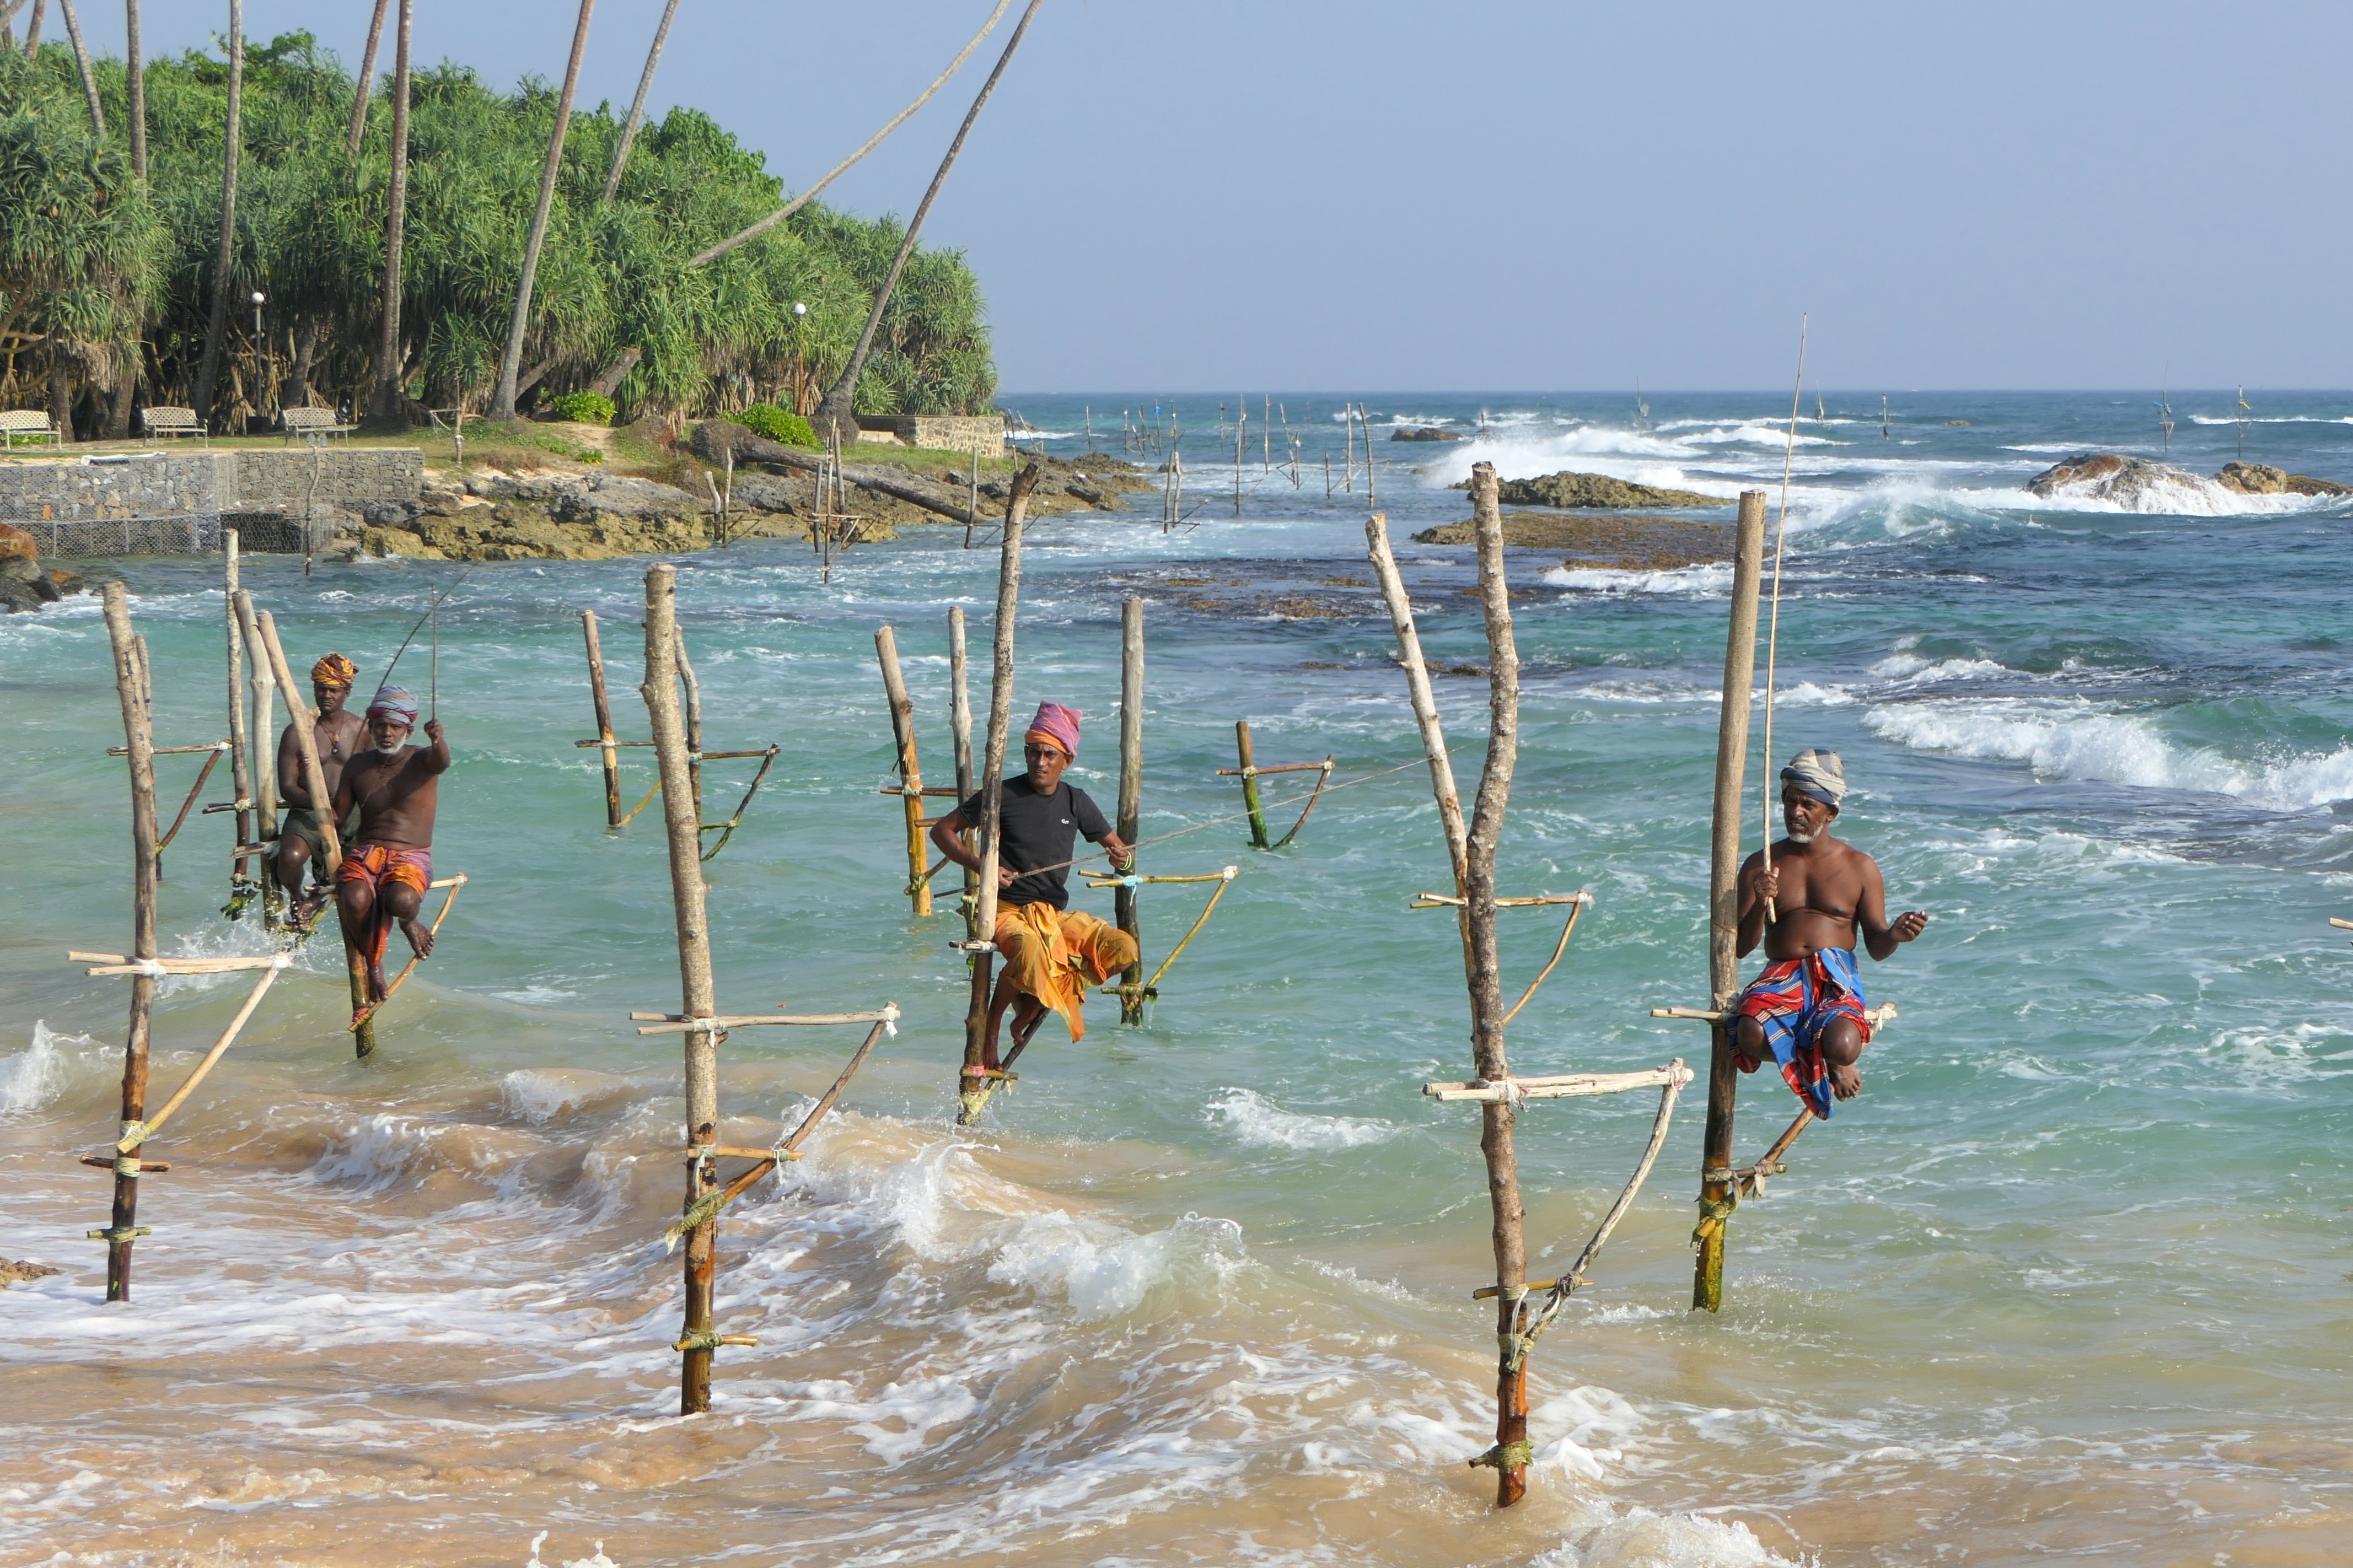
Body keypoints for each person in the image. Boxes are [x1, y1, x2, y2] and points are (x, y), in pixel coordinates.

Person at [929, 701, 1136, 1074]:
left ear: (1067, 760)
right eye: (1033, 752)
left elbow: (1121, 851)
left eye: (1049, 754)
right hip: (1005, 910)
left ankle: (1039, 999)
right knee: (1029, 951)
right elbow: (942, 831)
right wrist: (984, 867)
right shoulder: (1002, 794)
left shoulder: (1076, 801)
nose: (1040, 761)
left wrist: (1121, 860)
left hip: (1053, 915)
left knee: (1124, 949)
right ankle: (991, 1030)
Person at [1732, 748, 1928, 1113]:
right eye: (1790, 802)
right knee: (1750, 1036)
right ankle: (1818, 1054)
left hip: (1836, 977)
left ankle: (1833, 1054)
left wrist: (1895, 936)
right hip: (1780, 977)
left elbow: (1877, 946)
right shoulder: (1761, 864)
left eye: (1808, 804)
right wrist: (1760, 902)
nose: (1796, 812)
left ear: (1831, 813)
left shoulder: (1859, 867)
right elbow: (1741, 948)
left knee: (1843, 1045)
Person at [331, 686, 450, 1006]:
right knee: (354, 898)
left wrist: (437, 739)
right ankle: (374, 965)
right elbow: (338, 817)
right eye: (381, 725)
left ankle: (409, 923)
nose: (387, 733)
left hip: (411, 855)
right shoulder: (357, 765)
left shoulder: (422, 760)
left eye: (395, 726)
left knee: (402, 901)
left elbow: (442, 761)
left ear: (408, 730)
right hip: (367, 852)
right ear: (370, 727)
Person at [275, 653, 367, 920]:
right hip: (308, 809)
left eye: (334, 690)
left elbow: (373, 779)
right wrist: (320, 805)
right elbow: (287, 787)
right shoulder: (298, 732)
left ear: (346, 693)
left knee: (356, 871)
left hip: (351, 812)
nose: (326, 695)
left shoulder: (361, 730)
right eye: (321, 688)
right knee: (290, 858)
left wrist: (347, 810)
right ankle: (297, 898)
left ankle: (317, 898)